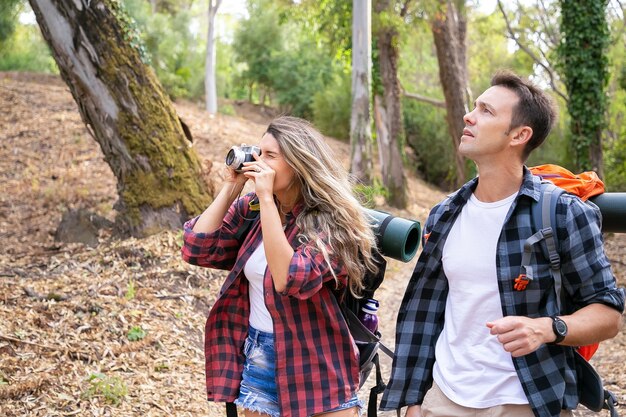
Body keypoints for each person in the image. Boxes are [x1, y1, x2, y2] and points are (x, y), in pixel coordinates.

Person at [380, 71, 625, 417]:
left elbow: (609, 315)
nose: (469, 116)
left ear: (520, 135)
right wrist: (416, 400)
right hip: (444, 398)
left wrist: (546, 328)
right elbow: (428, 313)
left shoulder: (563, 213)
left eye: (486, 111)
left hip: (527, 401)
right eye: (474, 107)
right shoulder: (445, 214)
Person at [181, 116, 379, 417]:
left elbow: (289, 277)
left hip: (317, 362)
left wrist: (265, 199)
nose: (260, 161)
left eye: (271, 155)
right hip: (260, 355)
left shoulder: (334, 221)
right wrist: (231, 187)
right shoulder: (254, 210)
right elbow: (197, 248)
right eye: (259, 153)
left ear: (298, 163)